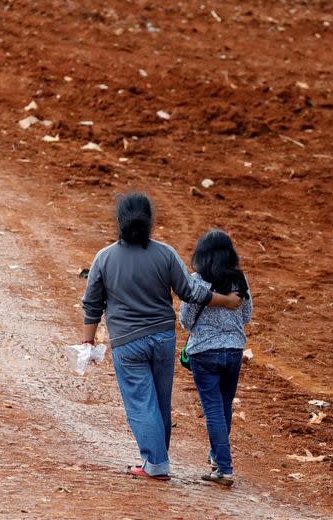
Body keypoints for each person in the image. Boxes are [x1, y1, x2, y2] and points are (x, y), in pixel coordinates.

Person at [81, 193, 242, 481]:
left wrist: (88, 341)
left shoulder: (104, 258)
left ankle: (155, 463)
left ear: (118, 221)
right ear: (150, 222)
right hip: (163, 339)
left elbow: (92, 303)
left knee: (141, 403)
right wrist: (226, 301)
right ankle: (157, 458)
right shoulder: (165, 253)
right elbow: (191, 293)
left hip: (127, 343)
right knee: (159, 402)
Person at [179, 229, 252, 487]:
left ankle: (224, 467)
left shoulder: (195, 281)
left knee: (213, 410)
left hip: (204, 353)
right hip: (233, 351)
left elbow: (186, 321)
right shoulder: (239, 279)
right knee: (224, 406)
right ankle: (216, 458)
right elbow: (246, 315)